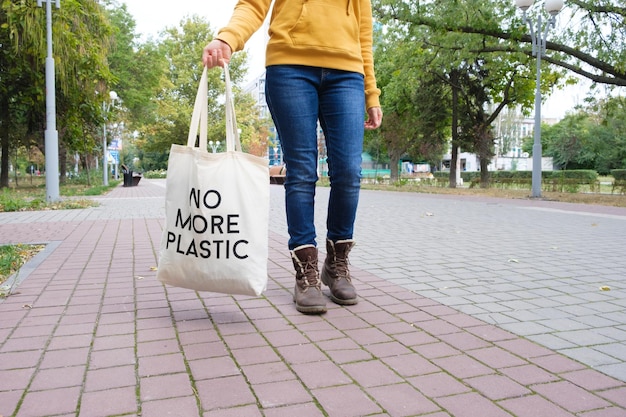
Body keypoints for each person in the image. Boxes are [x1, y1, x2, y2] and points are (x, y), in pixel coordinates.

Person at [202, 0, 383, 314]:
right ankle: (306, 272)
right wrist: (228, 37)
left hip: (348, 73)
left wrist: (371, 91)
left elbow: (363, 32)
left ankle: (336, 265)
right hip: (290, 67)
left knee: (350, 172)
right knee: (301, 171)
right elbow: (253, 5)